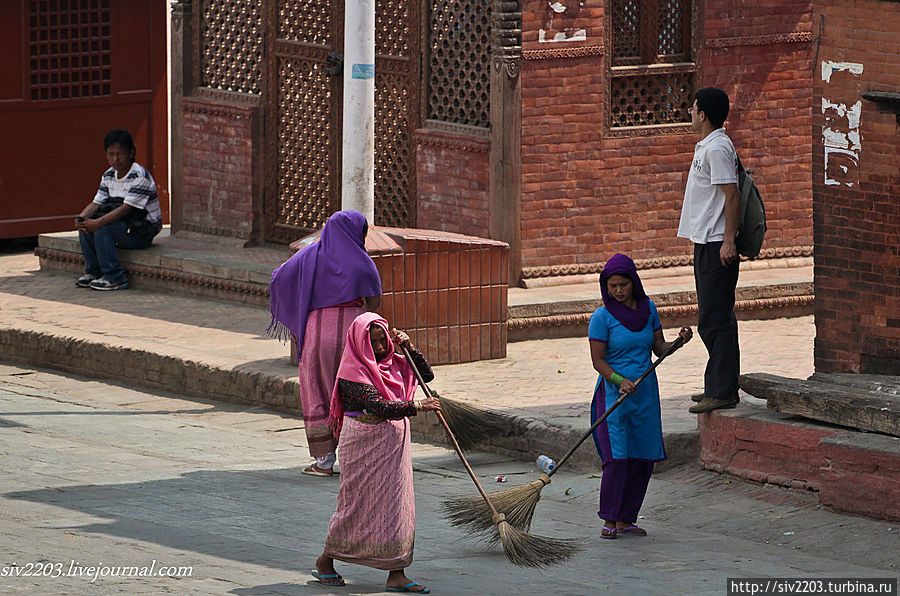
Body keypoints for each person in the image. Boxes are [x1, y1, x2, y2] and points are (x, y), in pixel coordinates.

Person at [313, 312, 440, 593]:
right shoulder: (352, 373)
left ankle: (396, 572)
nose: (381, 347)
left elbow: (426, 375)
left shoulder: (395, 362)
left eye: (383, 340)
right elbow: (380, 406)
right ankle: (326, 562)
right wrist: (418, 406)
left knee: (397, 505)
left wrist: (410, 348)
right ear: (360, 343)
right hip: (363, 446)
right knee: (356, 506)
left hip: (393, 447)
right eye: (374, 342)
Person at [268, 210, 382, 477]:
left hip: (318, 331)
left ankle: (324, 460)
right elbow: (375, 303)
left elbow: (278, 279)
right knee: (355, 391)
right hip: (355, 332)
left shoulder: (309, 255)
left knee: (316, 390)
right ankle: (359, 458)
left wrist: (300, 307)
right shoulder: (362, 262)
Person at [589, 254, 692, 539]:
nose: (618, 291)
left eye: (623, 284)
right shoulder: (601, 317)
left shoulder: (649, 309)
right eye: (613, 286)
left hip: (644, 394)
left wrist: (678, 343)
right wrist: (620, 381)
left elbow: (659, 347)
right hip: (614, 397)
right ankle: (610, 519)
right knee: (617, 459)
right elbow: (598, 361)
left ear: (633, 282)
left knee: (641, 457)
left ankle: (627, 519)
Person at [677, 87, 742, 414]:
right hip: (706, 241)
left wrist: (729, 240)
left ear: (702, 113)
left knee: (714, 320)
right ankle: (719, 385)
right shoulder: (709, 146)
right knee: (715, 317)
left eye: (693, 108)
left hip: (718, 243)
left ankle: (722, 391)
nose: (690, 111)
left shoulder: (717, 149)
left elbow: (732, 196)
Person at [75, 129, 163, 291]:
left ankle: (115, 277)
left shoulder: (139, 176)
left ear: (131, 153)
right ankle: (94, 272)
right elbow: (96, 203)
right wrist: (82, 218)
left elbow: (125, 209)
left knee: (102, 230)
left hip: (142, 229)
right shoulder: (108, 175)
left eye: (120, 154)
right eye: (111, 154)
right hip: (123, 224)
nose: (115, 159)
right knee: (86, 228)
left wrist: (97, 223)